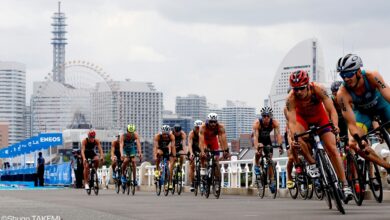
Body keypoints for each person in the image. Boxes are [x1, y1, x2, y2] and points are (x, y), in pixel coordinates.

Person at [285, 70, 352, 198]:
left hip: (320, 118)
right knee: (298, 138)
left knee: (332, 148)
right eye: (295, 89)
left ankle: (345, 185)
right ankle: (312, 163)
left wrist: (335, 126)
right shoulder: (291, 98)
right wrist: (294, 137)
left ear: (308, 85)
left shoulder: (318, 89)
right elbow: (292, 122)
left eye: (301, 88)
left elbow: (331, 110)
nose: (298, 92)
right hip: (302, 120)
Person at [336, 54, 390, 182]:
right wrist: (361, 141)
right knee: (353, 144)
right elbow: (351, 124)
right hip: (362, 112)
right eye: (343, 75)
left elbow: (387, 94)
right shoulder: (342, 93)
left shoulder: (372, 76)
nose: (346, 78)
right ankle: (387, 167)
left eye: (349, 74)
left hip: (381, 105)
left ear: (359, 71)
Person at [252, 107, 283, 175]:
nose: (266, 117)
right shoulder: (257, 123)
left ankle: (271, 179)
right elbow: (255, 137)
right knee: (259, 151)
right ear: (262, 116)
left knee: (270, 157)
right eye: (264, 116)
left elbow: (278, 135)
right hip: (258, 139)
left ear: (271, 116)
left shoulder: (274, 123)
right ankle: (257, 165)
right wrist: (256, 148)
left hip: (267, 139)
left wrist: (280, 146)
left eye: (268, 116)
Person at [199, 113, 230, 179]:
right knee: (204, 154)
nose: (213, 124)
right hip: (205, 141)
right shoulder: (203, 127)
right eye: (211, 122)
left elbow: (223, 139)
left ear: (217, 122)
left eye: (215, 122)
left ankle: (216, 180)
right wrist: (202, 151)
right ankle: (203, 169)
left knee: (216, 159)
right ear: (208, 121)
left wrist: (225, 150)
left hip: (213, 141)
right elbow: (201, 141)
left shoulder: (220, 127)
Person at [153, 125, 176, 189]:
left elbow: (173, 147)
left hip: (166, 149)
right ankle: (157, 170)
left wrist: (174, 156)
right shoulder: (157, 136)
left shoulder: (171, 136)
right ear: (161, 132)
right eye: (164, 134)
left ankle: (170, 182)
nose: (165, 136)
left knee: (171, 164)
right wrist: (155, 155)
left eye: (167, 134)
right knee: (159, 154)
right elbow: (156, 147)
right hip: (160, 148)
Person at [188, 120, 203, 192]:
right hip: (193, 149)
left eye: (200, 128)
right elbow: (190, 145)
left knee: (204, 159)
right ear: (194, 127)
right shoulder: (192, 133)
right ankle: (192, 183)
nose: (198, 129)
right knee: (192, 165)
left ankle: (203, 176)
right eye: (197, 128)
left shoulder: (203, 133)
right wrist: (191, 153)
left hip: (201, 148)